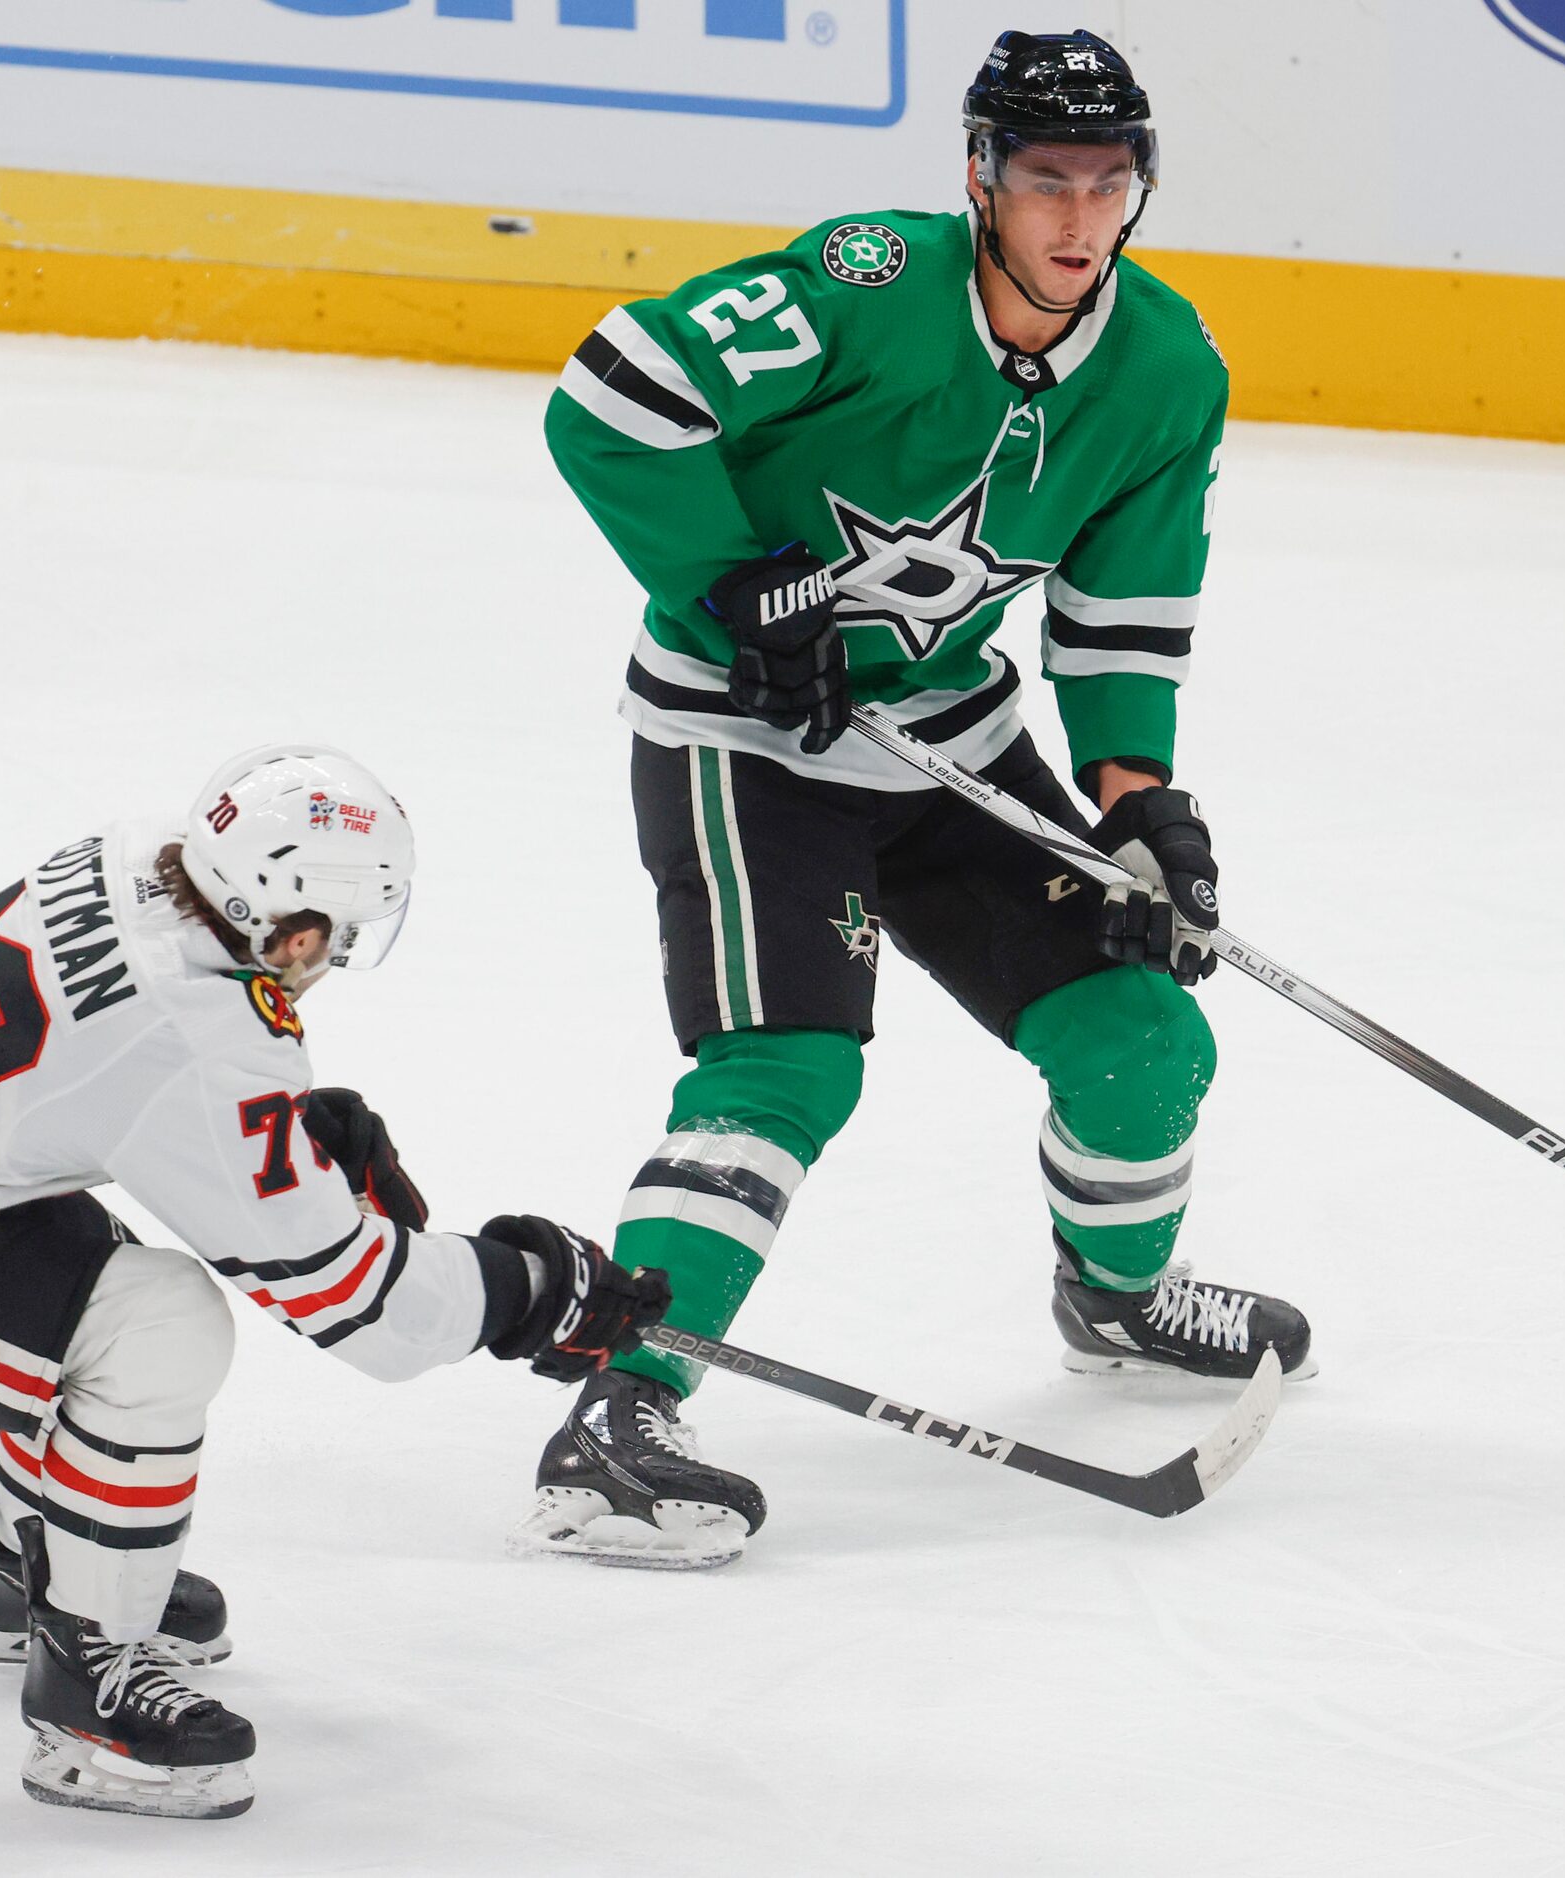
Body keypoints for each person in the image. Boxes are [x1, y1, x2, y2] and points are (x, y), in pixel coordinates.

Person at [530, 29, 1310, 1570]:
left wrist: (1138, 800)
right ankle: (619, 1409)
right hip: (742, 741)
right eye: (1044, 182)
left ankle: (1116, 1296)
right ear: (980, 181)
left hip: (949, 735)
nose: (1079, 218)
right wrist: (736, 590)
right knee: (785, 1072)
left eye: (1107, 182)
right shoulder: (872, 279)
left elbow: (1120, 606)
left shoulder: (1163, 366)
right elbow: (610, 395)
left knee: (1142, 1031)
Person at [0, 744, 668, 1817]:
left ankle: (25, 1563)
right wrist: (528, 1295)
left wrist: (282, 1144)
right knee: (153, 1330)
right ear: (294, 926)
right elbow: (359, 1306)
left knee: (84, 1298)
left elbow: (73, 1074)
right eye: (340, 936)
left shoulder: (137, 855)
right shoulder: (197, 1039)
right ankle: (88, 1689)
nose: (336, 958)